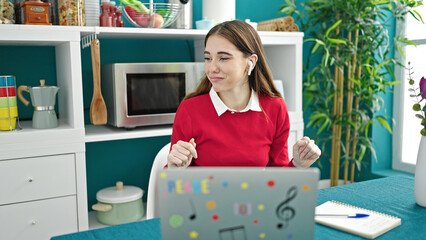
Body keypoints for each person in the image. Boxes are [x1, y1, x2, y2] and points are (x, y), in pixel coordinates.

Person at [167, 20, 321, 168]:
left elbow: (277, 177)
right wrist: (175, 168)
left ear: (251, 62)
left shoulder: (275, 108)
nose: (211, 68)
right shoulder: (190, 110)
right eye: (208, 58)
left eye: (224, 58)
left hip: (258, 196)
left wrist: (297, 165)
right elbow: (172, 186)